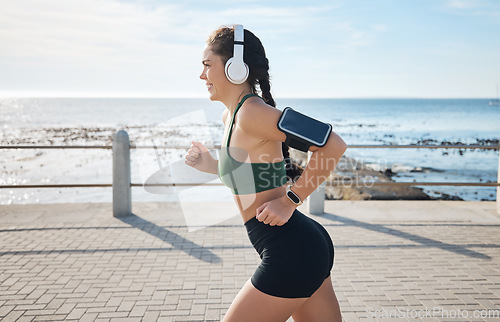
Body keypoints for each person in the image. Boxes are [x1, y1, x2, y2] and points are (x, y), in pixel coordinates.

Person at [185, 24, 347, 322]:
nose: (201, 75)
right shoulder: (231, 115)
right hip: (301, 246)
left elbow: (333, 145)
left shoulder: (252, 113)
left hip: (291, 251)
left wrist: (290, 200)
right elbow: (252, 179)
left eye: (208, 65)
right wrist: (212, 165)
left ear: (235, 68)